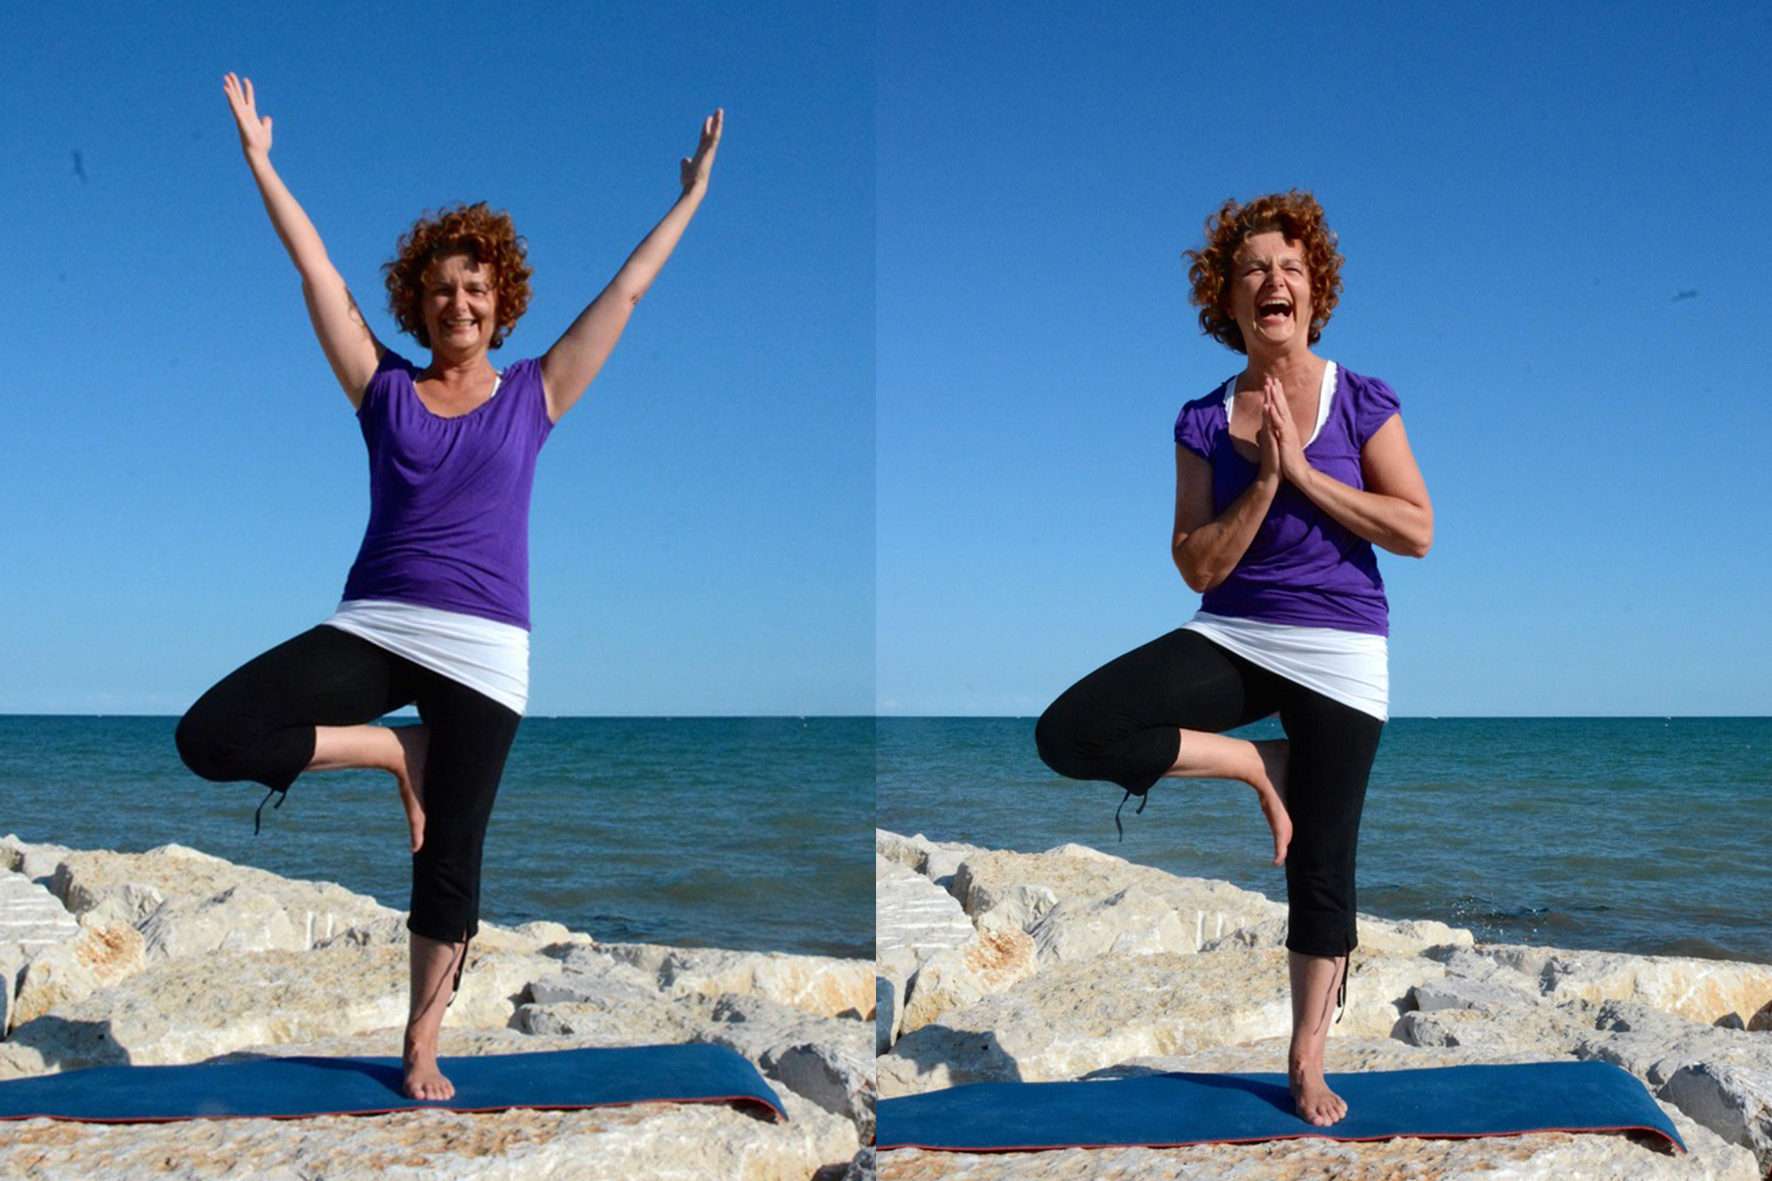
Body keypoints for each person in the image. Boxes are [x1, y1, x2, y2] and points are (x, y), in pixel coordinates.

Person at [175, 73, 721, 1101]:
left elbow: (630, 289)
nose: (458, 302)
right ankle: (397, 748)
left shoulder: (537, 393)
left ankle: (420, 1046)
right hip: (377, 622)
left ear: (499, 300)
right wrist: (260, 162)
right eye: (440, 287)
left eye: (476, 287)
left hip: (484, 650)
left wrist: (688, 196)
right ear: (416, 301)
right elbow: (314, 271)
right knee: (211, 734)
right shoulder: (382, 387)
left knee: (451, 859)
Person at [1033, 190, 1432, 1126]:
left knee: (1323, 865)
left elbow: (1416, 528)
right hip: (1237, 632)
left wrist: (1306, 473)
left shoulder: (1360, 399)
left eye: (1290, 267)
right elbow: (1194, 564)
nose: (1273, 281)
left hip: (1342, 646)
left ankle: (1304, 1060)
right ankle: (1261, 760)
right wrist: (1261, 484)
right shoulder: (1201, 420)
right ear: (1229, 297)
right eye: (1253, 268)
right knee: (1073, 731)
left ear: (1314, 290)